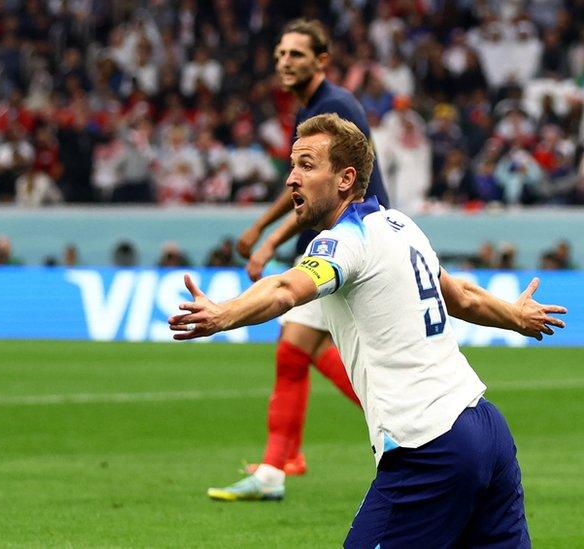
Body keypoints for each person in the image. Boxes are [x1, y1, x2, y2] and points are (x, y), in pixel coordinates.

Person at [170, 113, 565, 546]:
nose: (291, 179)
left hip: (429, 447)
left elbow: (286, 288)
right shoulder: (401, 226)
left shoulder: (344, 241)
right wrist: (515, 316)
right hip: (487, 430)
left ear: (345, 179)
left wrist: (224, 314)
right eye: (292, 165)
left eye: (306, 165)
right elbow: (462, 299)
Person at [223, 19, 391, 497]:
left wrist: (267, 238)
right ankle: (281, 463)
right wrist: (266, 233)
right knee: (300, 349)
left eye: (296, 54)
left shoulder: (333, 107)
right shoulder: (317, 109)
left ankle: (402, 430)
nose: (284, 62)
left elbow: (325, 188)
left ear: (321, 61)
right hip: (343, 236)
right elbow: (303, 183)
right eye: (280, 54)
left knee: (299, 348)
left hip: (348, 240)